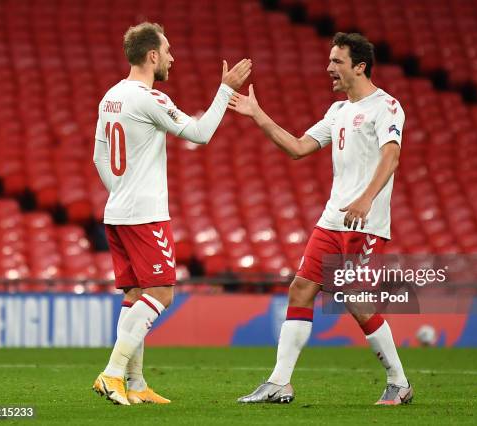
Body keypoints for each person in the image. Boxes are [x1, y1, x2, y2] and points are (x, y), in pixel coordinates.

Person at [229, 32, 412, 406]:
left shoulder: (387, 107)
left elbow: (391, 158)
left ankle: (398, 381)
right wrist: (257, 114)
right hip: (332, 219)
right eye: (329, 61)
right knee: (300, 289)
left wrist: (364, 199)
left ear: (359, 66)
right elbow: (298, 148)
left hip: (365, 221)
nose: (329, 68)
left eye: (337, 61)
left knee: (355, 299)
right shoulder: (338, 111)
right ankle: (280, 382)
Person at [92, 22, 251, 405]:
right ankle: (112, 374)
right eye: (167, 51)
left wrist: (122, 192)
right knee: (162, 293)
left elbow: (99, 156)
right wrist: (225, 89)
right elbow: (199, 133)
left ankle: (135, 383)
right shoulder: (151, 98)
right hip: (145, 213)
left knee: (135, 294)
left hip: (118, 211)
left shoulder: (110, 96)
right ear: (152, 56)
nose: (172, 57)